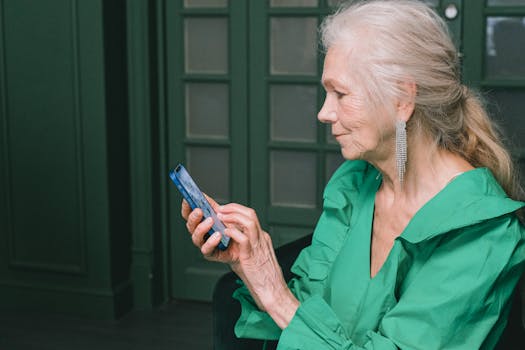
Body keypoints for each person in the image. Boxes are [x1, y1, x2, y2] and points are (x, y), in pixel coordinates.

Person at [181, 0, 525, 348]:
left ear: (402, 100)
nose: (324, 113)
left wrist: (276, 295)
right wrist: (250, 264)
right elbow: (305, 311)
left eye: (341, 94)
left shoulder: (482, 235)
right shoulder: (355, 184)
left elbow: (293, 313)